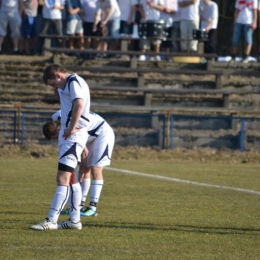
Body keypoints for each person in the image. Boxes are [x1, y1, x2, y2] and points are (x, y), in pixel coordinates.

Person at [30, 64, 91, 231]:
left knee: (62, 178)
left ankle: (51, 220)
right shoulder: (70, 83)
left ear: (58, 75)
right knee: (70, 179)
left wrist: (71, 128)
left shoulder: (73, 81)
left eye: (53, 84)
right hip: (71, 137)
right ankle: (74, 220)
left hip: (72, 137)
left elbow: (79, 104)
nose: (54, 88)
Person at [43, 110, 115, 217]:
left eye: (56, 137)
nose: (60, 138)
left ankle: (92, 208)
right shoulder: (56, 117)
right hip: (90, 135)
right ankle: (78, 206)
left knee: (96, 169)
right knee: (86, 170)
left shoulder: (70, 126)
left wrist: (81, 170)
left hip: (102, 134)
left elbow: (84, 152)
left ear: (58, 129)